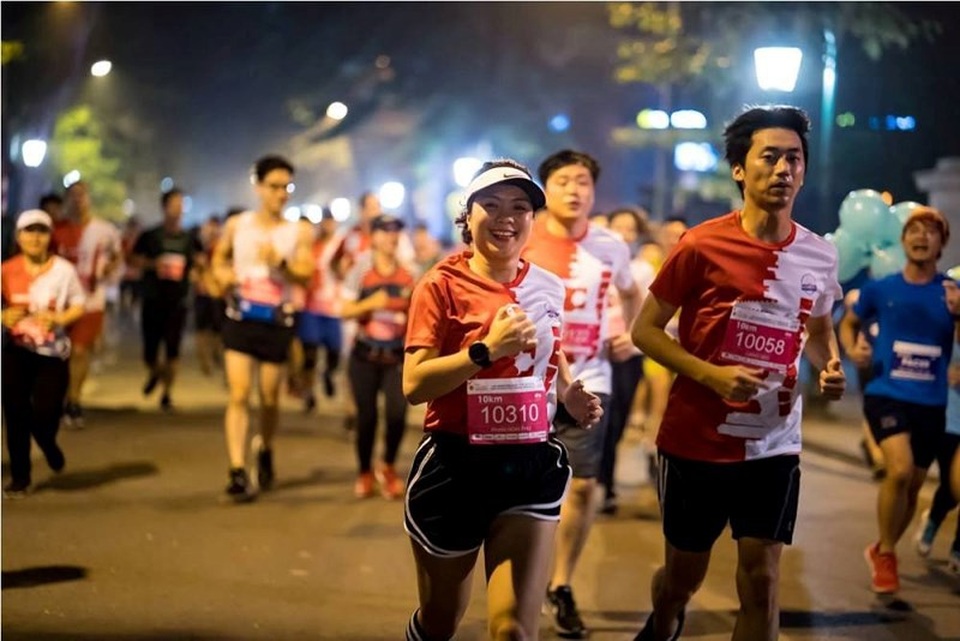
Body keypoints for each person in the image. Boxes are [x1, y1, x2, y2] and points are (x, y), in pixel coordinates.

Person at [631, 105, 846, 641]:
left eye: (793, 159)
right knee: (684, 577)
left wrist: (830, 366)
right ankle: (665, 619)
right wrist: (711, 376)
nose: (782, 170)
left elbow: (818, 332)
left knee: (762, 580)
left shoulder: (819, 255)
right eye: (769, 157)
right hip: (696, 441)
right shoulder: (702, 244)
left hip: (773, 442)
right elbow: (646, 331)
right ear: (739, 169)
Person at [401, 160, 602, 641]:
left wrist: (568, 395)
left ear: (534, 218)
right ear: (467, 217)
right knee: (440, 622)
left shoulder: (549, 285)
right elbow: (414, 386)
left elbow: (552, 360)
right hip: (454, 465)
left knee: (513, 630)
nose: (505, 217)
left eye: (519, 207)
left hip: (529, 462)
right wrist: (484, 351)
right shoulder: (440, 285)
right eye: (490, 205)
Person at [521, 149, 641, 638]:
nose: (575, 190)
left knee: (586, 484)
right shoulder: (523, 238)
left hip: (592, 378)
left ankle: (561, 583)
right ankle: (522, 581)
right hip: (527, 381)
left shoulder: (611, 246)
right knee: (526, 491)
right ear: (546, 188)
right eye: (565, 180)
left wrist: (629, 334)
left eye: (585, 182)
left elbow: (633, 294)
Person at [840, 205, 960, 594]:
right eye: (914, 230)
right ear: (903, 240)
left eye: (930, 231)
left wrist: (959, 317)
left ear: (942, 243)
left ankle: (879, 548)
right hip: (886, 393)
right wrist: (852, 347)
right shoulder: (882, 288)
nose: (921, 237)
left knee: (912, 488)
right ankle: (888, 552)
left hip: (931, 401)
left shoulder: (951, 295)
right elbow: (849, 320)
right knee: (900, 469)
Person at [211, 155, 313, 502]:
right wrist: (222, 276)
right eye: (274, 186)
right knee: (239, 394)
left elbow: (306, 272)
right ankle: (237, 469)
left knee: (269, 398)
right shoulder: (237, 225)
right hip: (240, 317)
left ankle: (265, 448)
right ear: (258, 187)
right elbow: (219, 259)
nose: (281, 194)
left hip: (275, 321)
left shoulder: (297, 230)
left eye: (287, 187)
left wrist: (280, 264)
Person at [2, 210, 85, 497]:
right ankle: (20, 478)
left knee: (45, 413)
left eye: (41, 231)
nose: (35, 238)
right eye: (28, 231)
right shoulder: (7, 269)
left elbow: (79, 302)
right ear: (18, 236)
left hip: (52, 354)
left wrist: (59, 319)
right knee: (15, 414)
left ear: (50, 237)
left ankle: (48, 444)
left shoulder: (64, 270)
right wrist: (4, 316)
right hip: (17, 351)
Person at [341, 213, 416, 499]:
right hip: (364, 355)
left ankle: (387, 466)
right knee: (367, 418)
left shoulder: (410, 272)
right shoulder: (360, 269)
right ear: (372, 237)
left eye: (395, 231)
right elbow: (344, 309)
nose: (391, 237)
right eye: (384, 231)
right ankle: (364, 471)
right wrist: (371, 303)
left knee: (397, 415)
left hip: (397, 356)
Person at [52, 180, 123, 429]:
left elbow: (118, 256)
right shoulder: (55, 230)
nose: (78, 199)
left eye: (82, 195)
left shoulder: (105, 230)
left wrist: (109, 270)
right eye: (72, 195)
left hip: (92, 301)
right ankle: (61, 398)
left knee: (80, 351)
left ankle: (74, 401)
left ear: (89, 198)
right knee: (61, 354)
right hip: (60, 302)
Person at [600, 206, 655, 513]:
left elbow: (650, 311)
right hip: (596, 356)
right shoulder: (595, 266)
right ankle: (602, 483)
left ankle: (604, 478)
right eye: (618, 226)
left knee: (618, 418)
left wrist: (630, 337)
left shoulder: (643, 270)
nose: (624, 233)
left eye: (630, 229)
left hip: (628, 354)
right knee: (599, 420)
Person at [130, 188, 204, 410]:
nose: (178, 208)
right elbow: (133, 260)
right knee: (149, 351)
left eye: (181, 204)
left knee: (173, 349)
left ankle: (167, 393)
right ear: (164, 207)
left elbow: (200, 262)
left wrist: (198, 270)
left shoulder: (190, 238)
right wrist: (154, 265)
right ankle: (155, 371)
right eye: (174, 203)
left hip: (178, 301)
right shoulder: (151, 235)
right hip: (153, 298)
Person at [913, 339, 960, 574]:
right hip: (950, 421)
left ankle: (958, 548)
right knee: (951, 490)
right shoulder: (946, 331)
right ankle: (933, 518)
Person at [295, 208, 344, 411]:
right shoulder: (312, 245)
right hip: (311, 307)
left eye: (331, 221)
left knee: (334, 352)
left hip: (333, 308)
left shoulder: (341, 245)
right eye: (325, 221)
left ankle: (328, 374)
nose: (328, 225)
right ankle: (309, 392)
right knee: (309, 354)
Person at [191, 214, 227, 376]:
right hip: (202, 293)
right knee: (202, 329)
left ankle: (216, 355)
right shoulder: (197, 245)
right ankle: (204, 361)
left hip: (219, 294)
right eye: (209, 227)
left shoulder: (222, 248)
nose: (212, 230)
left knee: (218, 329)